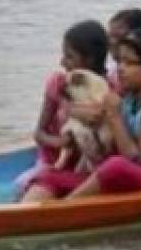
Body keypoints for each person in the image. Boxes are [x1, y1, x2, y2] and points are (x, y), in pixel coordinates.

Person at [23, 29, 141, 201]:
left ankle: (64, 209)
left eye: (129, 63)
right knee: (49, 175)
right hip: (128, 177)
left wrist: (114, 116)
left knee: (115, 165)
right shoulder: (128, 99)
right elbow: (100, 125)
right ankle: (28, 214)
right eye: (119, 61)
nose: (121, 69)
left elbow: (140, 163)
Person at [24, 20, 112, 182]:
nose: (62, 62)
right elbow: (39, 133)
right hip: (53, 162)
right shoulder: (58, 84)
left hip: (91, 167)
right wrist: (60, 142)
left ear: (90, 59)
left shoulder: (108, 89)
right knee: (33, 184)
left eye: (69, 56)